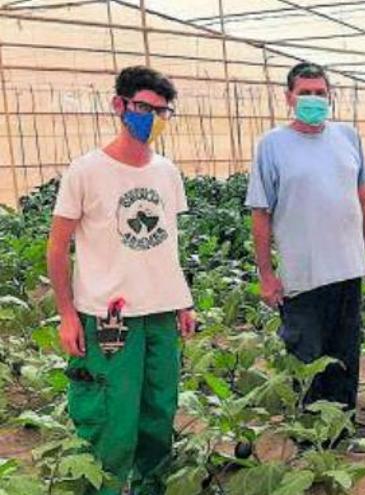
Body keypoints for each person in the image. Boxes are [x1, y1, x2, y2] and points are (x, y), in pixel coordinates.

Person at [47, 66, 196, 494]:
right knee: (111, 420)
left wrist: (182, 301)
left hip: (161, 316)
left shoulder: (167, 172)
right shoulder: (86, 171)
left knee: (158, 413)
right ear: (119, 106)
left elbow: (167, 245)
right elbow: (58, 247)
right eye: (143, 108)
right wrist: (67, 315)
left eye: (161, 111)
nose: (152, 119)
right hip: (110, 319)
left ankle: (151, 488)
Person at [246, 62, 365, 412]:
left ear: (330, 95)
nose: (313, 99)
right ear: (289, 97)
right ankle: (310, 435)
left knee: (345, 352)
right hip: (302, 275)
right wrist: (266, 275)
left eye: (320, 93)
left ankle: (341, 425)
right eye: (305, 93)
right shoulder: (272, 145)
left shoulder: (348, 136)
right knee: (306, 356)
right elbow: (261, 214)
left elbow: (364, 198)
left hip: (348, 268)